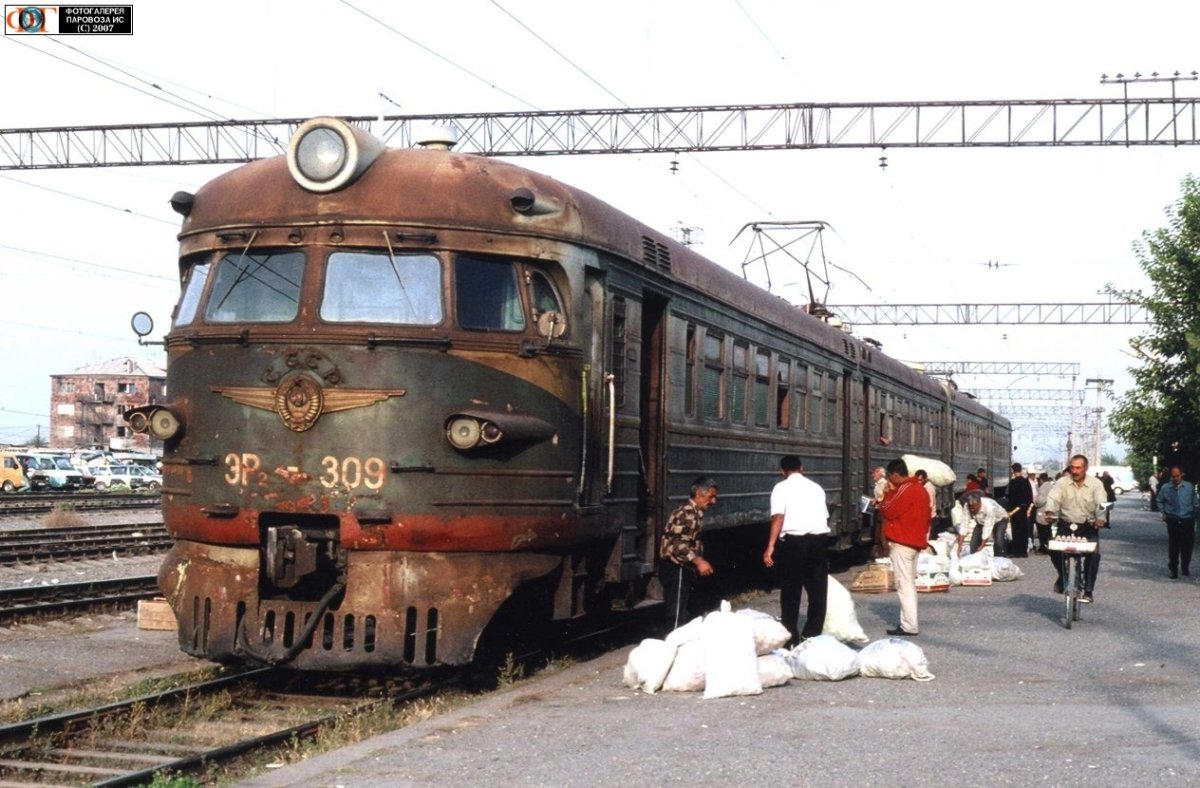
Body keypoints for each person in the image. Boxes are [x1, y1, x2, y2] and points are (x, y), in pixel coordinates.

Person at [762, 455, 831, 647]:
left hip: (794, 543)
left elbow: (778, 517)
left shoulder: (781, 488)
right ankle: (812, 636)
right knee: (818, 590)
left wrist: (770, 546)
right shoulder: (816, 488)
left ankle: (790, 637)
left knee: (791, 590)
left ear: (782, 471)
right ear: (802, 468)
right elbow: (825, 516)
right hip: (818, 542)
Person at [1041, 454, 1107, 603]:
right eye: (1072, 467)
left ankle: (1088, 590)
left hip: (1088, 526)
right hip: (1065, 524)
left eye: (1078, 468)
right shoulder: (1062, 482)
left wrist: (1100, 518)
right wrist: (1050, 512)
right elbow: (1053, 497)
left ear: (1086, 468)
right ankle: (1063, 575)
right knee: (1052, 548)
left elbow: (1101, 502)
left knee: (1094, 555)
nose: (1075, 471)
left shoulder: (1096, 484)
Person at [878, 458, 931, 637]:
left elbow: (888, 510)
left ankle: (909, 625)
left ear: (895, 474)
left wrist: (887, 495)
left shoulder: (905, 489)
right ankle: (908, 622)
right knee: (909, 584)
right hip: (915, 541)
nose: (888, 480)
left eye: (889, 476)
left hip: (903, 542)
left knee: (904, 586)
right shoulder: (921, 490)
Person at [659, 477, 718, 632]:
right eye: (710, 497)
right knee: (676, 615)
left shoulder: (692, 513)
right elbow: (679, 547)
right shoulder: (688, 514)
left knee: (686, 610)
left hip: (682, 567)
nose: (714, 502)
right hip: (676, 567)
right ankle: (671, 644)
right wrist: (699, 562)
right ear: (698, 494)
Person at [1157, 465, 1198, 579]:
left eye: (1177, 476)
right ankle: (1173, 569)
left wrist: (1194, 514)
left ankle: (1185, 567)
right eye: (1173, 476)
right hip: (1173, 520)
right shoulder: (1166, 488)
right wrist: (1163, 512)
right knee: (1174, 546)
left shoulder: (1189, 487)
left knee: (1187, 546)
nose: (1175, 478)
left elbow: (1195, 502)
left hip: (1187, 519)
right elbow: (1159, 500)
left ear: (1182, 475)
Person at [959, 491, 1009, 556]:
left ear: (979, 504)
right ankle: (974, 560)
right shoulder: (967, 506)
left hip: (1000, 519)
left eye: (974, 508)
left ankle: (999, 558)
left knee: (998, 540)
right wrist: (960, 545)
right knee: (973, 543)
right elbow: (964, 524)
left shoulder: (989, 508)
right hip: (981, 521)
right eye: (971, 508)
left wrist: (982, 546)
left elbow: (988, 528)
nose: (972, 510)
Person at [1006, 463, 1034, 557]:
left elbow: (1010, 498)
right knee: (1024, 531)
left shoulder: (1012, 483)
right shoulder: (1026, 482)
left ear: (1013, 471)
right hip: (1024, 510)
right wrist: (1028, 510)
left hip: (1015, 511)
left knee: (1016, 531)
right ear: (1021, 470)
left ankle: (1017, 552)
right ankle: (1024, 552)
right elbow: (1030, 497)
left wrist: (1010, 511)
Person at [1033, 472, 1054, 552]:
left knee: (1042, 531)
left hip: (1042, 512)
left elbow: (1041, 500)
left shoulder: (1044, 487)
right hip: (1049, 511)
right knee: (1048, 531)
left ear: (1041, 479)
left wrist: (1035, 502)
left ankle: (1044, 547)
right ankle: (1048, 546)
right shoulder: (1051, 486)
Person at [914, 469, 938, 537]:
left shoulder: (928, 488)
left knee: (926, 538)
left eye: (920, 480)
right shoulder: (922, 487)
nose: (918, 482)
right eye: (917, 480)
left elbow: (930, 504)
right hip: (924, 517)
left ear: (925, 478)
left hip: (929, 517)